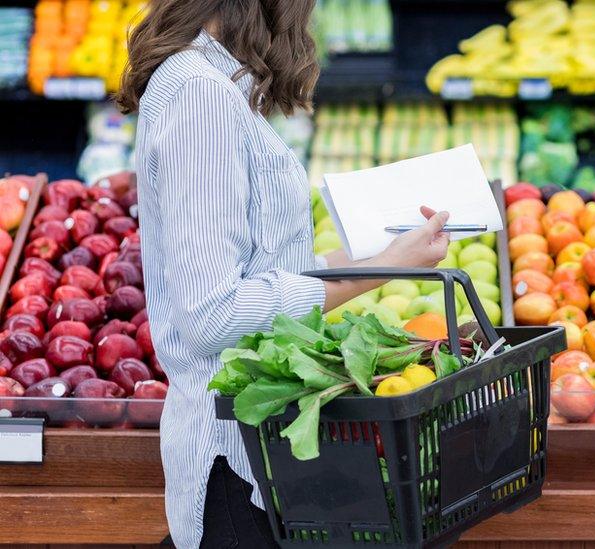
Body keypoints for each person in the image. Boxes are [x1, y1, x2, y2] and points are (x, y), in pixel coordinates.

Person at [117, 1, 449, 547]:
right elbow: (212, 314)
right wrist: (372, 277)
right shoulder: (201, 97)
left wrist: (387, 258)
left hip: (263, 453)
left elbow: (262, 274)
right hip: (233, 461)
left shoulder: (210, 84)